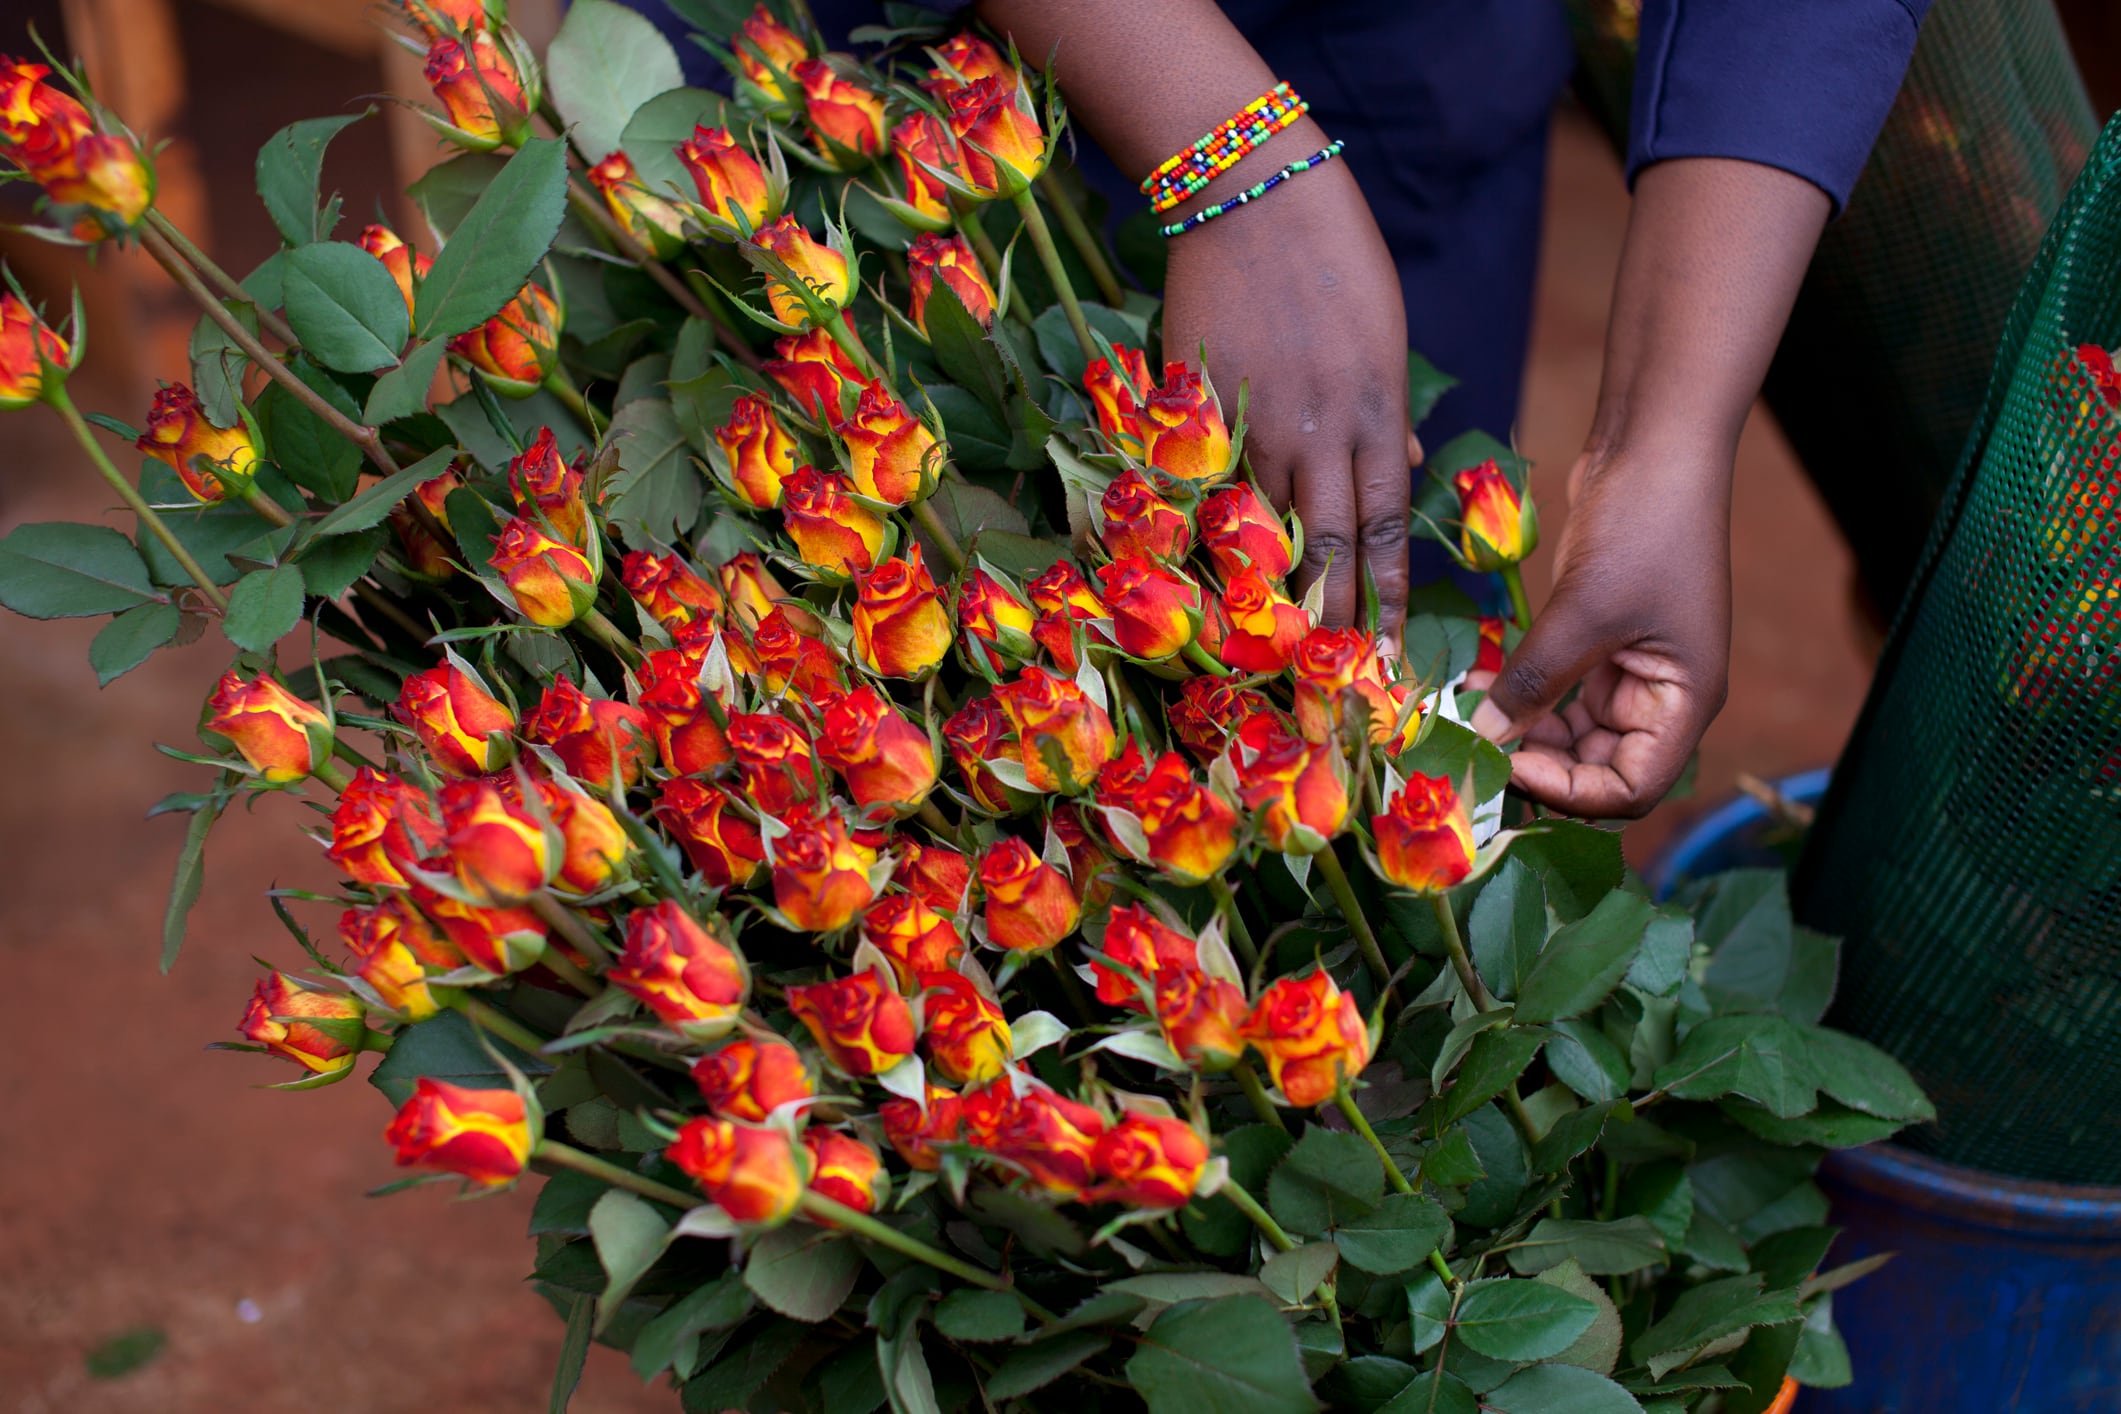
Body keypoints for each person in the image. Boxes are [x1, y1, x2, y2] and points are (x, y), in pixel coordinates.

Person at [642, 0, 1930, 817]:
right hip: (868, 114)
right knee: (808, 760)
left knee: (1349, 691)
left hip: (1384, 65)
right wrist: (1230, 153)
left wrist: (1669, 435)